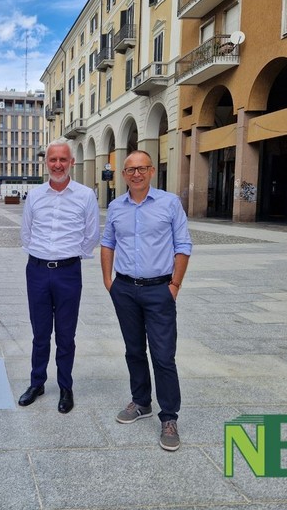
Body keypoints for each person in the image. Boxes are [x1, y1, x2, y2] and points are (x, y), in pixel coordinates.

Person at [100, 150, 192, 451]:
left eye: (142, 168)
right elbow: (107, 243)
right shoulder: (116, 207)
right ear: (123, 175)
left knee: (164, 356)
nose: (136, 174)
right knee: (134, 350)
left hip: (159, 290)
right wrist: (108, 281)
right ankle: (141, 403)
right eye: (130, 170)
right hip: (125, 289)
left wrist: (174, 285)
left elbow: (183, 245)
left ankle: (169, 417)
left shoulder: (169, 203)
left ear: (152, 171)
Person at [19, 138, 100, 414]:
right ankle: (37, 382)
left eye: (63, 160)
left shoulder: (85, 195)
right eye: (53, 160)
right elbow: (26, 234)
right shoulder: (35, 196)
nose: (57, 164)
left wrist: (69, 256)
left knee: (66, 335)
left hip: (68, 273)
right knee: (40, 333)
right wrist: (42, 256)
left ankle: (65, 386)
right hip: (38, 271)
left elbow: (91, 235)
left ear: (71, 163)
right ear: (46, 163)